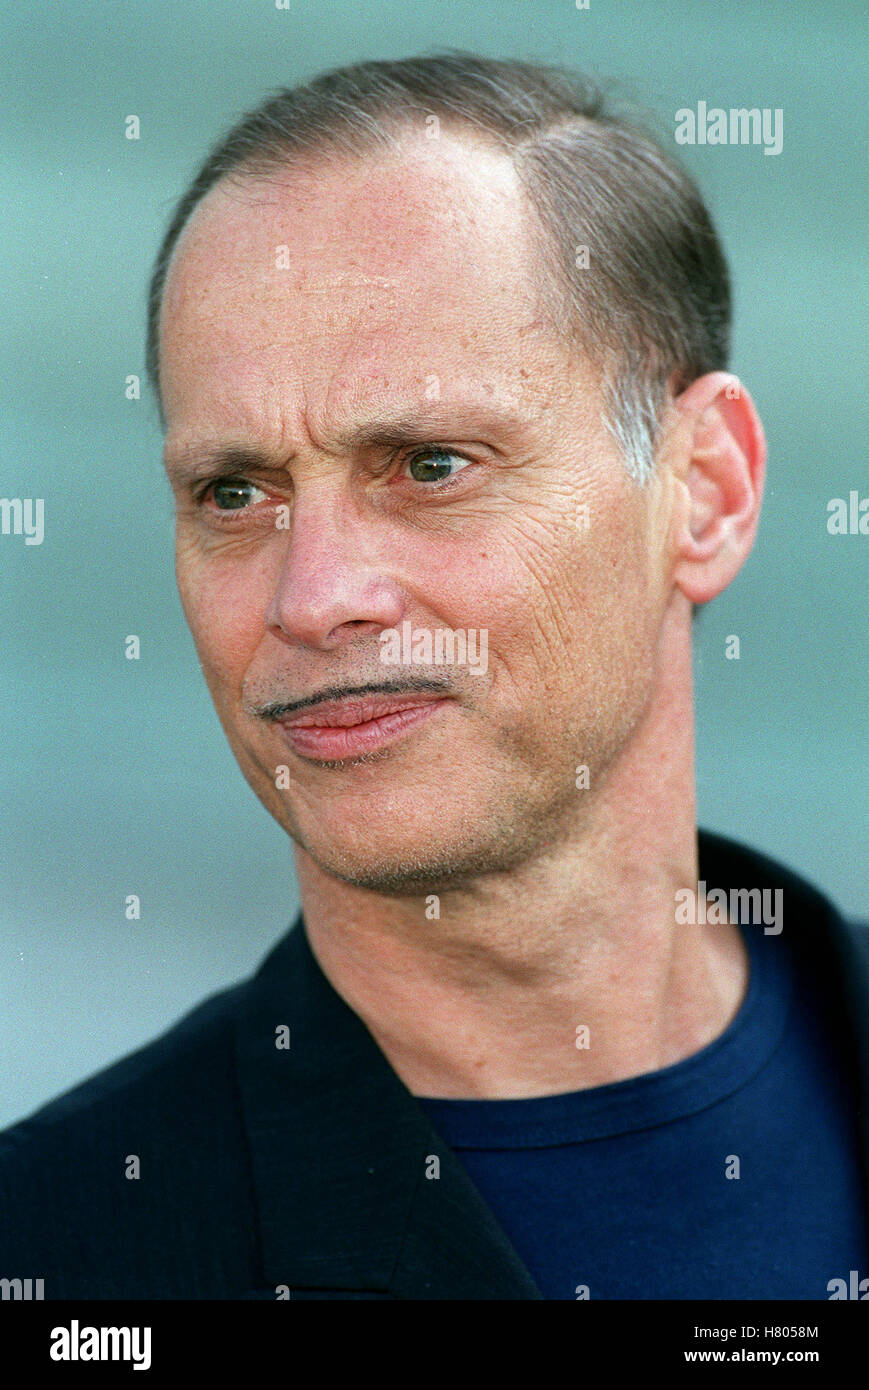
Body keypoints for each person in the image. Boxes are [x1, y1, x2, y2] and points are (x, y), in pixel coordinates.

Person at [1, 53, 867, 1301]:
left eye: (427, 464)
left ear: (704, 492)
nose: (311, 596)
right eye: (233, 494)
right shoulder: (62, 1259)